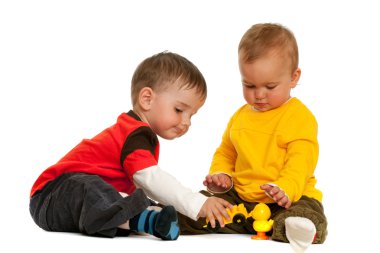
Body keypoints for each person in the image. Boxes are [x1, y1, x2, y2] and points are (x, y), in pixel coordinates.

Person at [29, 51, 233, 240]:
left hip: (81, 206)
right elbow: (150, 179)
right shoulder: (134, 133)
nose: (186, 122)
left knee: (134, 199)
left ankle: (152, 219)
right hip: (52, 196)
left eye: (192, 115)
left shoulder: (140, 135)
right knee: (91, 188)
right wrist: (196, 203)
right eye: (179, 110)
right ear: (147, 99)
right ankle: (144, 219)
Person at [178, 23, 328, 252]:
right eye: (249, 85)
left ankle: (296, 226)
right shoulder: (240, 116)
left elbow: (302, 162)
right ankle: (166, 216)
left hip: (287, 199)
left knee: (306, 210)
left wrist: (285, 188)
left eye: (270, 86)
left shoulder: (300, 117)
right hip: (241, 199)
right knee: (204, 204)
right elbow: (226, 152)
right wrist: (222, 176)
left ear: (294, 77)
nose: (258, 95)